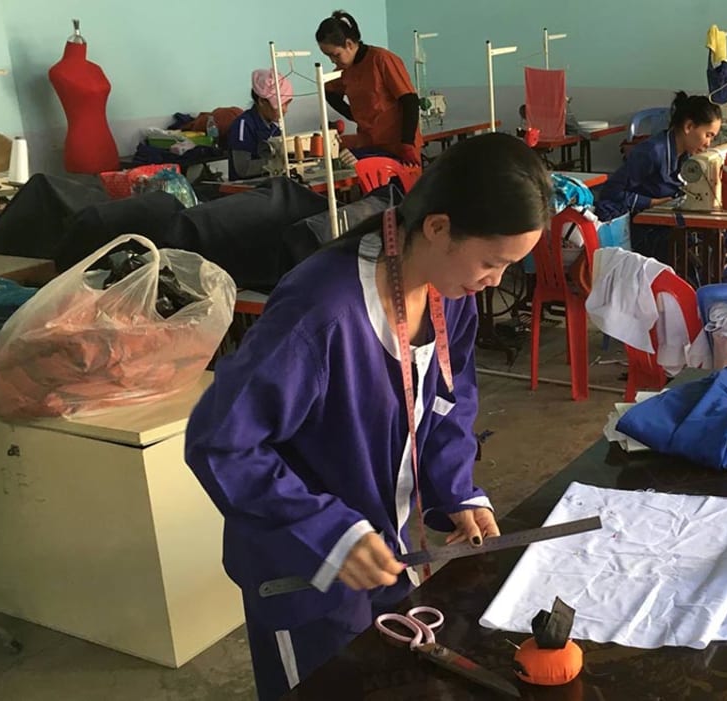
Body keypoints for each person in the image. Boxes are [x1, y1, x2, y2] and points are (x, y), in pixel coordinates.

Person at [183, 132, 551, 701]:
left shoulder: (447, 293)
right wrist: (329, 532)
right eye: (492, 261)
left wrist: (459, 493)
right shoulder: (322, 312)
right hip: (305, 567)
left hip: (387, 549)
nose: (495, 281)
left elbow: (449, 403)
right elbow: (222, 442)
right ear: (437, 228)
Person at [595, 91, 722, 265]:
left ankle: (726, 289)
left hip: (666, 225)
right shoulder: (651, 152)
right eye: (708, 135)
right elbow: (610, 192)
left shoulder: (685, 155)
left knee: (723, 239)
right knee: (693, 257)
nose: (709, 144)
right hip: (642, 231)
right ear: (689, 126)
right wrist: (651, 202)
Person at [316, 10, 423, 166]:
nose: (332, 61)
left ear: (349, 44)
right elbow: (329, 91)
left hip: (398, 146)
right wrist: (352, 114)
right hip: (369, 144)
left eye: (335, 55)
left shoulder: (381, 59)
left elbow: (410, 101)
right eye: (328, 56)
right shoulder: (345, 70)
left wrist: (407, 143)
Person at [226, 69, 293, 181]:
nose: (285, 110)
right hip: (245, 191)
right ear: (262, 101)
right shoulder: (243, 126)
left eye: (287, 104)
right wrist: (279, 162)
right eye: (281, 105)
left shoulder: (274, 129)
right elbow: (243, 169)